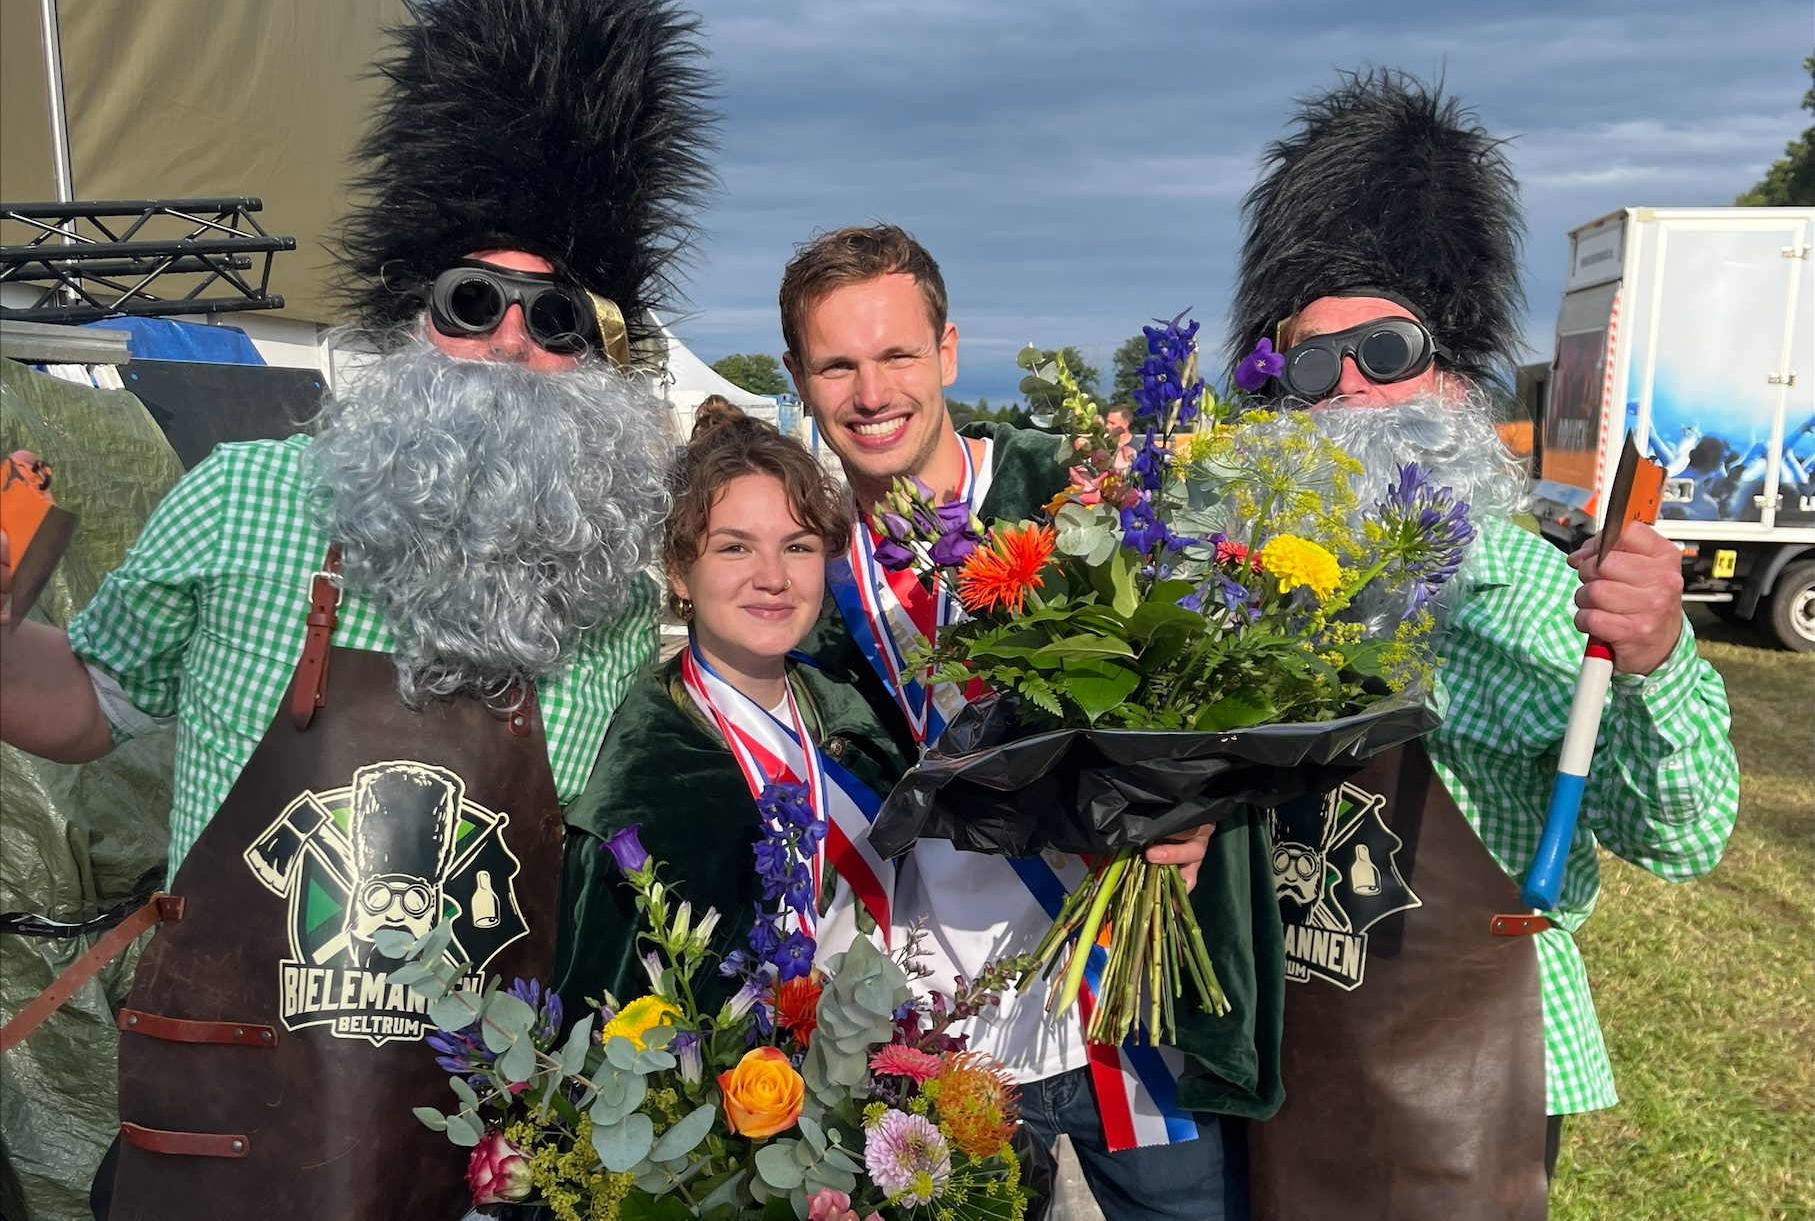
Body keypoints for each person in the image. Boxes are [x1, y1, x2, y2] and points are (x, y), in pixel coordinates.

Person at [0, 0, 714, 1217]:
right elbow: (84, 704)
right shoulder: (247, 499)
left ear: (599, 361)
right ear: (406, 320)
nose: (508, 345)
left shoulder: (610, 584)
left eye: (556, 317)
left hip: (480, 1164)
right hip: (220, 1154)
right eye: (471, 301)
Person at [1225, 69, 1740, 1220]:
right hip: (1302, 1063)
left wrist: (1655, 661)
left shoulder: (1514, 591)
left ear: (1454, 372)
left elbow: (1686, 832)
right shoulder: (1264, 590)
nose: (1351, 389)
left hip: (1471, 1081)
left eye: (1388, 349)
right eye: (1312, 365)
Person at [780, 224, 1278, 1221]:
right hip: (933, 1052)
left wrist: (1199, 820)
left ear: (949, 351)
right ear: (798, 376)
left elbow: (1212, 705)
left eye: (897, 354)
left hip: (1127, 1020)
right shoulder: (799, 568)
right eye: (837, 364)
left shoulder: (1076, 495)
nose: (871, 394)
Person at [555, 398, 908, 1014]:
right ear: (678, 573)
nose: (773, 577)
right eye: (735, 548)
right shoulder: (640, 781)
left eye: (797, 547)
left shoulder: (860, 713)